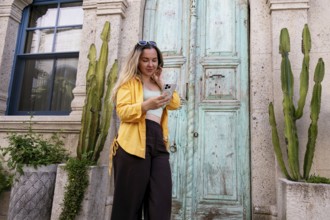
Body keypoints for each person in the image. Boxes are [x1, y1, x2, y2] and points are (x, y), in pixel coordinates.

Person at [110, 40, 181, 220]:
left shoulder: (160, 84)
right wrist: (145, 106)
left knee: (160, 199)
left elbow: (175, 103)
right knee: (129, 204)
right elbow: (123, 112)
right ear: (137, 61)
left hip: (158, 141)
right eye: (145, 60)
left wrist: (161, 82)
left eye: (154, 60)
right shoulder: (129, 83)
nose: (150, 64)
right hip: (132, 143)